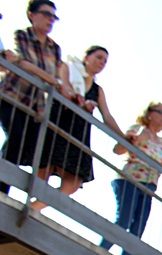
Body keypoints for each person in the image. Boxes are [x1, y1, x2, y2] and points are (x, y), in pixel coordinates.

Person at [30, 44, 125, 212]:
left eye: (105, 61)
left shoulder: (97, 90)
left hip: (78, 132)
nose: (102, 63)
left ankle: (32, 208)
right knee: (43, 170)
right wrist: (77, 99)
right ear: (87, 57)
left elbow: (107, 116)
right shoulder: (68, 67)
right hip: (58, 122)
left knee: (73, 182)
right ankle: (25, 206)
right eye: (99, 57)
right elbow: (64, 87)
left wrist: (122, 138)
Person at [98, 101, 162, 255]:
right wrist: (137, 138)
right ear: (149, 113)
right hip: (129, 179)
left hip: (149, 187)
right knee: (124, 219)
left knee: (138, 227)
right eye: (160, 113)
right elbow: (118, 149)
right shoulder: (137, 129)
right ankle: (99, 252)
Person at [0, 1, 72, 196]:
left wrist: (62, 86)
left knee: (24, 147)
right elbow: (23, 63)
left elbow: (53, 72)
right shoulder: (22, 35)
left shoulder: (54, 48)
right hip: (11, 96)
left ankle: (3, 191)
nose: (50, 20)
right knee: (15, 138)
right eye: (46, 14)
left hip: (34, 106)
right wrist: (53, 81)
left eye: (53, 17)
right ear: (31, 15)